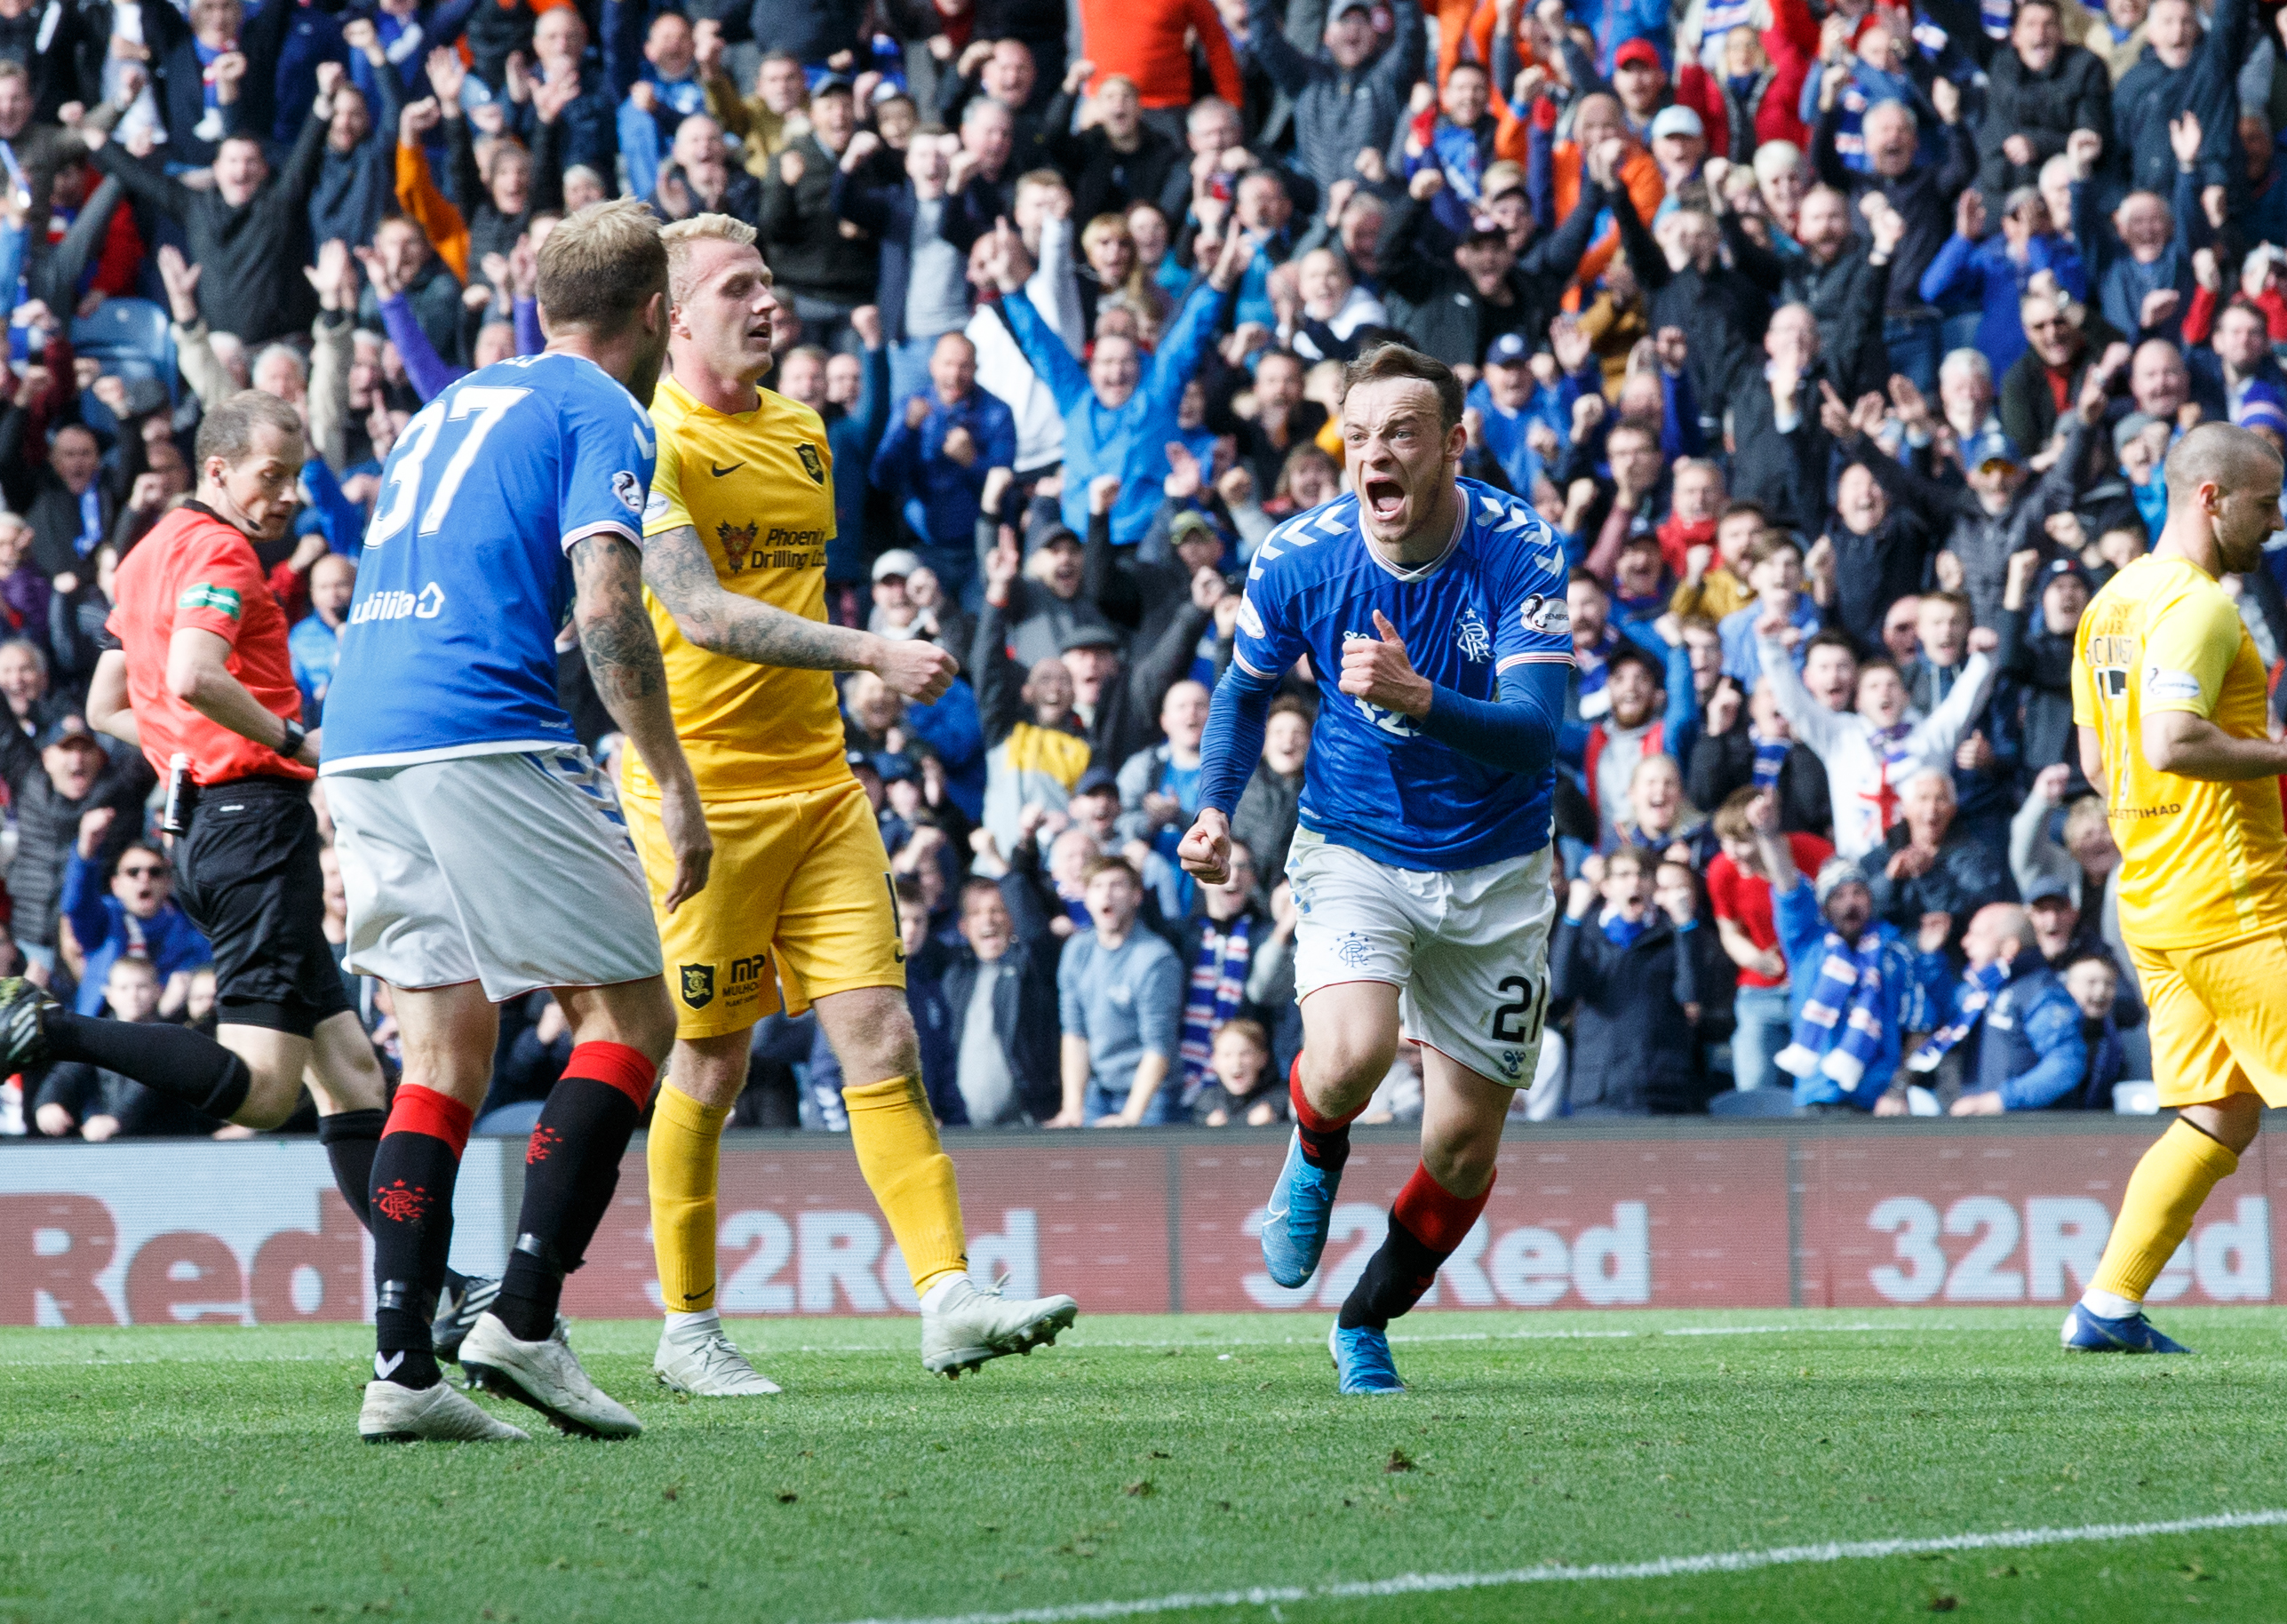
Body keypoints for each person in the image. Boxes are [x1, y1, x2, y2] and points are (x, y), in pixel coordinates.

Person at [626, 212, 1077, 1395]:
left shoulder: (804, 431)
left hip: (820, 785)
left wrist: (851, 687)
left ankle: (945, 1298)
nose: (769, 303)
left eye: (770, 282)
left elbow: (781, 597)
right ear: (674, 317)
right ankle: (686, 1331)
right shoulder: (650, 441)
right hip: (703, 799)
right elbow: (705, 613)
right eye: (738, 288)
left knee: (883, 1035)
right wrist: (869, 652)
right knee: (714, 1064)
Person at [318, 201, 709, 1445]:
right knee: (637, 1010)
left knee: (438, 1057)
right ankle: (525, 1320)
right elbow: (607, 610)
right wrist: (671, 781)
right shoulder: (603, 408)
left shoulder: (454, 403)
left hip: (361, 737)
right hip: (476, 731)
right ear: (657, 313)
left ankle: (402, 1373)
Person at [1177, 342, 1570, 1395]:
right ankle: (1312, 1152)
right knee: (1347, 1058)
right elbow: (1243, 690)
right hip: (1358, 849)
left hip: (1498, 873)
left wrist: (1420, 697)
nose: (1373, 454)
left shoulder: (1519, 547)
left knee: (1460, 1150)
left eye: (1399, 432)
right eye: (1356, 435)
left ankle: (1366, 1318)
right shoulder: (1298, 556)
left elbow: (1541, 732)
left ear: (1453, 443)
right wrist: (1213, 811)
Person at [12, 390, 393, 1320]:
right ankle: (49, 1027)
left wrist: (188, 747)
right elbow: (192, 674)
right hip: (255, 825)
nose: (290, 495)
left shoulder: (146, 556)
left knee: (351, 1072)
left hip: (201, 825)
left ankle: (422, 1276)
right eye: (273, 474)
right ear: (215, 469)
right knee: (263, 1094)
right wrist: (291, 741)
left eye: (298, 475)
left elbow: (111, 704)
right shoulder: (221, 550)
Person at [2062, 422, 2287, 1354]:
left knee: (2220, 1111)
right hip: (2229, 902)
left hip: (2153, 903)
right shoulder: (2200, 607)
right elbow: (2167, 739)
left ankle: (2107, 1306)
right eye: (2264, 504)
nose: (2273, 525)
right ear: (2210, 497)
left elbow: (2097, 756)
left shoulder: (2108, 606)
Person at [1746, 790, 1936, 1113]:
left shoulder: (1895, 954)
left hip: (1877, 1102)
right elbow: (1787, 884)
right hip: (1817, 1099)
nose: (1850, 903)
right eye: (1839, 896)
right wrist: (1768, 834)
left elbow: (1919, 1025)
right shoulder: (1808, 945)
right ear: (1824, 906)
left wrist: (1898, 1089)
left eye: (1859, 892)